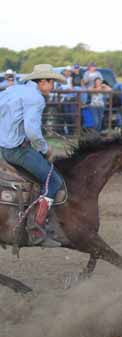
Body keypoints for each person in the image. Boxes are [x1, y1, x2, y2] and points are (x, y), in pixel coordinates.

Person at [0, 64, 66, 245]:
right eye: (51, 82)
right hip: (18, 150)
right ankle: (37, 230)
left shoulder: (13, 90)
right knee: (53, 180)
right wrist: (45, 149)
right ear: (42, 81)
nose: (53, 86)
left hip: (5, 148)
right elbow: (32, 131)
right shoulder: (36, 99)